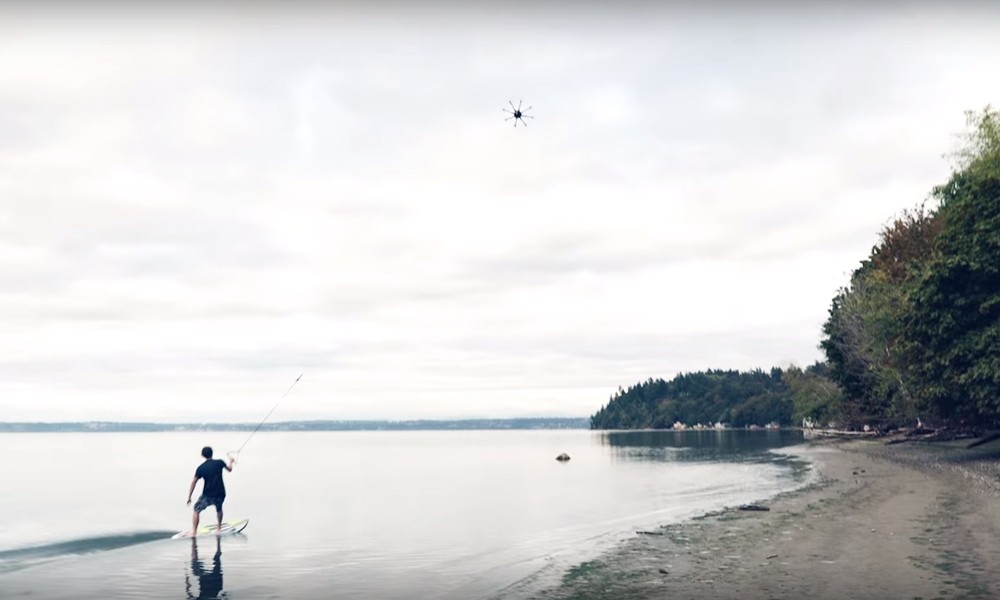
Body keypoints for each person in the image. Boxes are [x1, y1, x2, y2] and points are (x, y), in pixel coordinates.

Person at [186, 446, 235, 534]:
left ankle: (194, 532)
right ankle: (219, 528)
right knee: (219, 509)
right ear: (212, 453)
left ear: (202, 455)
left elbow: (194, 482)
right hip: (220, 493)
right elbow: (230, 469)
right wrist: (231, 461)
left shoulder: (201, 468)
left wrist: (189, 497)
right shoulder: (219, 462)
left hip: (207, 494)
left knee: (196, 509)